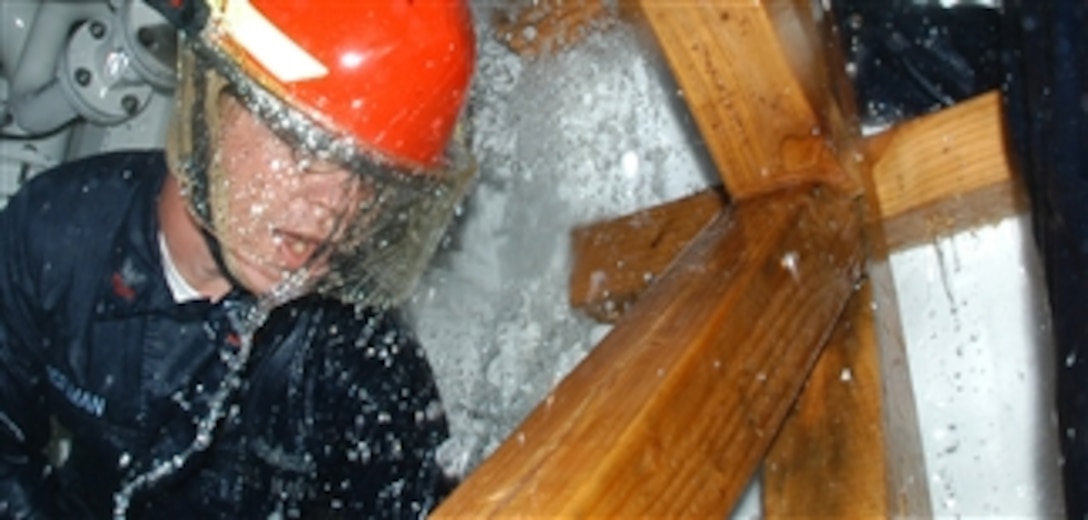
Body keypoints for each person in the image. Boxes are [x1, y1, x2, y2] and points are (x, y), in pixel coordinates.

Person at [0, 0, 476, 517]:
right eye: (306, 148)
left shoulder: (359, 359)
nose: (333, 209)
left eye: (369, 178)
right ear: (207, 101)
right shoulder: (63, 234)